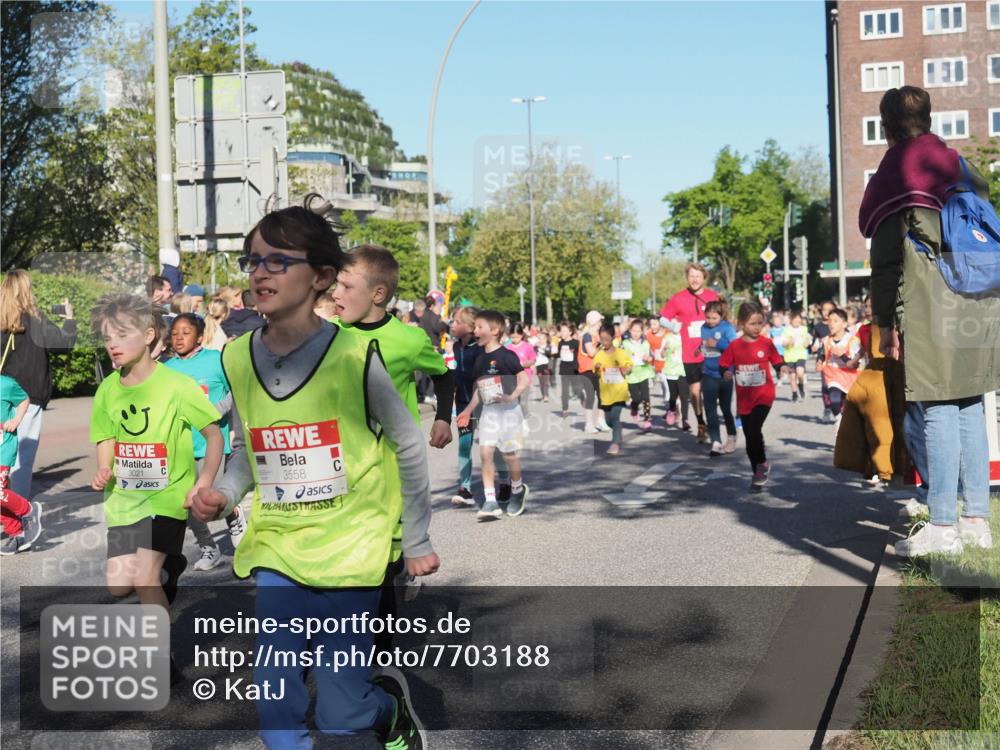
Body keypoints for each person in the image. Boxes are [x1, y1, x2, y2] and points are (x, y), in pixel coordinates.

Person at [188, 204, 436, 748]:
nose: (259, 272)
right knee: (276, 702)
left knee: (343, 711)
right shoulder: (234, 357)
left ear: (321, 277)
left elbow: (409, 446)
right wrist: (224, 493)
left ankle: (386, 711)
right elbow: (251, 451)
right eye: (252, 260)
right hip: (278, 546)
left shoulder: (354, 354)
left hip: (352, 547)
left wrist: (415, 536)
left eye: (279, 261)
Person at [862, 85, 997, 556]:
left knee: (938, 407)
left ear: (886, 125)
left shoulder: (895, 170)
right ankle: (977, 520)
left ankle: (942, 525)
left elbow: (885, 261)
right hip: (978, 299)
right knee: (969, 407)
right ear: (930, 117)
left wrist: (884, 323)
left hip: (931, 299)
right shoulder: (957, 162)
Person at [89, 295, 223, 619]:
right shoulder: (107, 389)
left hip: (166, 497)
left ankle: (163, 665)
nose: (113, 345)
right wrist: (104, 468)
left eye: (122, 335)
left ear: (149, 336)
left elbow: (214, 434)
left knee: (145, 579)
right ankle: (172, 566)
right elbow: (106, 437)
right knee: (119, 586)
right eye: (108, 338)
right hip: (123, 498)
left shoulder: (177, 385)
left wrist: (202, 483)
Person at [163, 313, 245, 571]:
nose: (179, 338)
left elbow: (236, 389)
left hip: (212, 445)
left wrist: (215, 411)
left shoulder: (215, 360)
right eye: (175, 333)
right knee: (187, 501)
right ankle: (209, 548)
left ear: (199, 336)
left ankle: (232, 514)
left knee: (211, 499)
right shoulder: (167, 368)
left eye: (186, 333)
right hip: (181, 446)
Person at [0, 270, 78, 499]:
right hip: (29, 395)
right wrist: (70, 319)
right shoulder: (36, 319)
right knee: (22, 458)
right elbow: (63, 345)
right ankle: (19, 513)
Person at [456, 310, 530, 521]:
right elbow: (479, 390)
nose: (475, 331)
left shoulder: (507, 356)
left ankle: (517, 490)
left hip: (509, 412)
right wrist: (468, 410)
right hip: (489, 413)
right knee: (486, 454)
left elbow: (523, 380)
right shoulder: (479, 360)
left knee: (508, 455)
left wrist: (511, 395)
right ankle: (490, 501)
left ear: (495, 331)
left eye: (480, 327)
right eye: (475, 327)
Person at [720, 302, 785, 488]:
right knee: (750, 436)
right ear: (741, 323)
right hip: (744, 398)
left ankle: (760, 466)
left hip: (764, 395)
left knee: (754, 430)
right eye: (752, 324)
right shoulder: (735, 346)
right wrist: (725, 372)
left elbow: (777, 361)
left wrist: (783, 367)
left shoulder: (766, 343)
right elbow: (724, 363)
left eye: (760, 323)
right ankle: (758, 468)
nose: (757, 328)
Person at [659, 263, 720, 444]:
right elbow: (662, 318)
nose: (695, 279)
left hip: (711, 351)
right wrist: (672, 326)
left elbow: (722, 319)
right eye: (691, 276)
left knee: (710, 391)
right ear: (687, 277)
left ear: (704, 278)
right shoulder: (678, 298)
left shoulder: (712, 296)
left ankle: (711, 421)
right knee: (695, 392)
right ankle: (701, 424)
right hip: (690, 354)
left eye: (698, 276)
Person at [0, 374, 43, 554]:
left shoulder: (6, 384)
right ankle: (17, 535)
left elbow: (24, 399)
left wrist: (16, 420)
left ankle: (28, 509)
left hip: (3, 448)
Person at [700, 300, 738, 456]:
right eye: (708, 317)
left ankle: (731, 436)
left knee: (725, 408)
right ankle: (715, 441)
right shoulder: (703, 327)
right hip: (708, 373)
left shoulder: (727, 328)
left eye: (714, 318)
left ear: (721, 316)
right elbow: (704, 345)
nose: (710, 321)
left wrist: (717, 343)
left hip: (725, 374)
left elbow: (735, 348)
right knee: (709, 408)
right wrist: (699, 348)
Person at [592, 323, 633, 456]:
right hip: (606, 394)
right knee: (609, 420)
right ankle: (617, 433)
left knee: (615, 417)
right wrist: (598, 369)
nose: (604, 342)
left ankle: (615, 443)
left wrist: (626, 369)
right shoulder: (599, 355)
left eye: (606, 339)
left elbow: (629, 367)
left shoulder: (621, 353)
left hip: (620, 392)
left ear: (613, 337)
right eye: (602, 339)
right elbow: (597, 373)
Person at [821, 308, 863, 428]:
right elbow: (823, 352)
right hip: (833, 375)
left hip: (850, 377)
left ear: (844, 323)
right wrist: (820, 360)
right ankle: (838, 419)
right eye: (829, 321)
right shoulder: (826, 339)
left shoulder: (852, 340)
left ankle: (846, 423)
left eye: (835, 321)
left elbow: (856, 363)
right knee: (834, 398)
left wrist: (843, 357)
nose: (831, 323)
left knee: (849, 407)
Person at [578, 310, 609, 434]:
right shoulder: (587, 335)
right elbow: (591, 352)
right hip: (587, 370)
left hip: (599, 369)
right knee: (590, 396)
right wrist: (601, 345)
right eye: (600, 320)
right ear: (595, 322)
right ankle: (589, 424)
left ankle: (601, 421)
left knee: (603, 396)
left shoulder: (599, 334)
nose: (601, 322)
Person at [621, 318, 654, 430]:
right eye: (634, 331)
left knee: (646, 397)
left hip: (643, 372)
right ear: (630, 331)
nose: (636, 333)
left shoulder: (645, 344)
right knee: (636, 398)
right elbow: (620, 358)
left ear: (642, 332)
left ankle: (647, 420)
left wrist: (648, 358)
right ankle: (634, 408)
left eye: (638, 331)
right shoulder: (625, 344)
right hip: (631, 374)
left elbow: (650, 356)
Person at [505, 322, 536, 416]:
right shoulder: (508, 347)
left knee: (523, 402)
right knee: (514, 402)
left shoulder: (528, 346)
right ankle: (516, 420)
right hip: (512, 379)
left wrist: (525, 364)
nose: (514, 339)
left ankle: (525, 417)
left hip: (525, 378)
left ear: (522, 335)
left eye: (517, 337)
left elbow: (533, 360)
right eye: (512, 337)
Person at [781, 309, 811, 402]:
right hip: (790, 356)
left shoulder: (804, 329)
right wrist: (790, 341)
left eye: (799, 319)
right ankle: (794, 393)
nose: (797, 321)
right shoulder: (786, 330)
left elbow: (807, 342)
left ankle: (801, 386)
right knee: (792, 376)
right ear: (791, 320)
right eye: (795, 319)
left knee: (800, 373)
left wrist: (807, 342)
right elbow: (784, 343)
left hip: (801, 355)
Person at [556, 320, 581, 418]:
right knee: (564, 391)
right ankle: (565, 409)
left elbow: (580, 355)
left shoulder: (575, 343)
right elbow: (559, 355)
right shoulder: (560, 343)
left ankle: (583, 400)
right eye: (561, 331)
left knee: (576, 389)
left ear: (570, 332)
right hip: (564, 370)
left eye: (564, 331)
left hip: (574, 370)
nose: (562, 333)